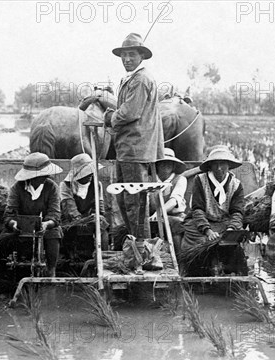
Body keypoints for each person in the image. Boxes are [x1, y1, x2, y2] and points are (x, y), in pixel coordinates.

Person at [103, 32, 164, 238]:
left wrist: (110, 116)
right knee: (127, 201)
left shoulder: (140, 79)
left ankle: (143, 248)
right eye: (124, 55)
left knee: (135, 204)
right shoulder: (132, 79)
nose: (127, 59)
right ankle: (136, 246)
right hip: (128, 148)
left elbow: (130, 112)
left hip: (135, 149)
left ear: (141, 56)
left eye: (132, 55)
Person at [180, 147, 246, 274]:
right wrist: (208, 230)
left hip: (223, 222)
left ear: (229, 165)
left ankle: (229, 273)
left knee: (231, 242)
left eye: (222, 164)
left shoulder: (236, 184)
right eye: (215, 164)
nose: (219, 168)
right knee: (196, 240)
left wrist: (231, 229)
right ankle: (194, 274)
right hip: (200, 222)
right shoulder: (200, 180)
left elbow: (237, 211)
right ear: (210, 166)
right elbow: (197, 209)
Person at [4, 153, 63, 277]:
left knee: (54, 233)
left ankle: (51, 270)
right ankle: (9, 272)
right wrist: (14, 224)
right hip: (22, 228)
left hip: (46, 227)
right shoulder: (17, 188)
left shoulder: (52, 187)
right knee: (6, 237)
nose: (44, 177)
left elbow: (55, 213)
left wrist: (47, 224)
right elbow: (9, 213)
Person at [59, 153, 109, 252]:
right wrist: (82, 220)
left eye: (91, 172)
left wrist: (96, 215)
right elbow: (69, 209)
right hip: (70, 221)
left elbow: (99, 206)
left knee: (102, 223)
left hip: (91, 218)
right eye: (86, 173)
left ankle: (103, 254)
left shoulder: (96, 184)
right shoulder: (66, 185)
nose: (90, 175)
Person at [149, 148, 188, 252]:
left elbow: (174, 200)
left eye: (170, 163)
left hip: (174, 216)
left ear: (174, 166)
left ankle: (179, 259)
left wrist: (159, 213)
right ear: (157, 165)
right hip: (152, 216)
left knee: (176, 223)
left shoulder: (180, 179)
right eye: (163, 163)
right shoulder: (149, 180)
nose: (166, 166)